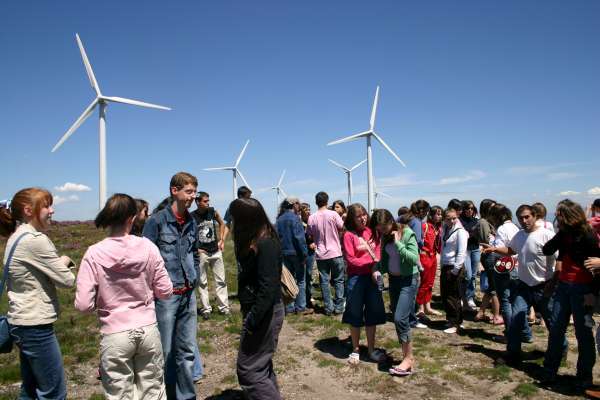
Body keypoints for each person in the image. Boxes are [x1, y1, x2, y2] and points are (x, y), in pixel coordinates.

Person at [75, 194, 173, 399]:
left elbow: (83, 305)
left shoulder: (93, 253)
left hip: (115, 333)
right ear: (132, 218)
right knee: (153, 391)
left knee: (119, 394)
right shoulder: (148, 247)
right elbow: (165, 291)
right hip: (147, 329)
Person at [0, 188, 75, 399]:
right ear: (28, 210)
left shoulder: (16, 237)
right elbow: (67, 280)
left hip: (21, 322)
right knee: (54, 392)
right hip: (35, 326)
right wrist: (65, 260)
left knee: (30, 390)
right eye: (47, 206)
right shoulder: (35, 240)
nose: (52, 211)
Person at [482, 204, 564, 365]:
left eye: (527, 217)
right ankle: (513, 353)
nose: (524, 220)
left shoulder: (546, 235)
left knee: (553, 323)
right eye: (520, 218)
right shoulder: (519, 235)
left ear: (534, 216)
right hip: (524, 286)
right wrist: (494, 249)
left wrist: (553, 283)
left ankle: (562, 349)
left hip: (543, 286)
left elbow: (559, 261)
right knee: (515, 318)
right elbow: (511, 250)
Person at [143, 172, 200, 400]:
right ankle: (164, 395)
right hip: (165, 298)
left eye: (195, 192)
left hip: (188, 293)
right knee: (163, 352)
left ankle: (186, 396)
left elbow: (194, 252)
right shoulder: (155, 221)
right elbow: (145, 259)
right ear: (174, 191)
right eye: (189, 191)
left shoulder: (191, 221)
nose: (193, 196)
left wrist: (194, 275)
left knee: (187, 351)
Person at [541, 199, 600, 390]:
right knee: (556, 329)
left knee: (583, 334)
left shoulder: (588, 236)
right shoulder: (565, 234)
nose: (557, 216)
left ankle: (584, 377)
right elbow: (547, 249)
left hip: (582, 288)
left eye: (560, 214)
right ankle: (549, 371)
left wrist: (593, 292)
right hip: (564, 286)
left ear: (568, 215)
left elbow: (596, 266)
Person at [230, 197, 284, 400]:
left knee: (250, 371)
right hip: (263, 312)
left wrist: (252, 320)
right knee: (261, 366)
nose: (232, 222)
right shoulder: (259, 239)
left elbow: (268, 289)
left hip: (264, 313)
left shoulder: (265, 243)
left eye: (234, 218)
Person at [372, 209, 419, 375]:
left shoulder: (407, 233)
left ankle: (409, 358)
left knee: (400, 318)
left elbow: (414, 258)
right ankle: (406, 356)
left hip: (408, 280)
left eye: (384, 227)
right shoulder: (385, 237)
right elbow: (386, 260)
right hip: (394, 281)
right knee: (399, 319)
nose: (382, 231)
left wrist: (399, 244)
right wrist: (377, 268)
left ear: (391, 221)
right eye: (379, 229)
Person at [341, 204, 387, 365]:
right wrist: (370, 262)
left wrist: (375, 266)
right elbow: (350, 258)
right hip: (356, 279)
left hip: (372, 278)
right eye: (358, 216)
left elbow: (379, 250)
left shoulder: (371, 231)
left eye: (364, 215)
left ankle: (371, 349)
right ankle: (355, 349)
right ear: (352, 219)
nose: (363, 218)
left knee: (372, 314)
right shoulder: (348, 235)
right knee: (355, 314)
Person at [488, 203, 528, 342]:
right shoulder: (515, 227)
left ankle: (511, 334)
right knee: (515, 300)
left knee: (505, 301)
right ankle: (524, 332)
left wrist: (492, 247)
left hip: (505, 267)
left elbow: (501, 248)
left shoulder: (502, 229)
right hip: (517, 266)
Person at [192, 191, 230, 320]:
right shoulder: (192, 217)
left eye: (208, 201)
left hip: (215, 250)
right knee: (202, 282)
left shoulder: (213, 212)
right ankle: (206, 309)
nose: (208, 203)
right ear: (198, 202)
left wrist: (222, 240)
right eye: (205, 201)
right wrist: (196, 248)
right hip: (202, 252)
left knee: (221, 280)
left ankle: (224, 308)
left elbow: (222, 224)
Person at [307, 192, 345, 315]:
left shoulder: (312, 217)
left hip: (321, 254)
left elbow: (309, 234)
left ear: (316, 202)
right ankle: (339, 307)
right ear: (327, 201)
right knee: (339, 280)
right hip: (335, 252)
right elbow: (342, 227)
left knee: (324, 281)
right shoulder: (333, 214)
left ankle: (328, 307)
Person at [275, 197, 310, 314]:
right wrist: (304, 255)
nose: (299, 206)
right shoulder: (295, 219)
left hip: (283, 253)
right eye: (298, 204)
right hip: (296, 253)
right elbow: (299, 239)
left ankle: (289, 308)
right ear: (293, 204)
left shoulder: (279, 219)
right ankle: (300, 307)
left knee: (288, 281)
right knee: (300, 280)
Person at [474, 199, 503, 325]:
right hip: (490, 255)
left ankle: (481, 313)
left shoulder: (487, 222)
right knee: (495, 287)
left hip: (490, 254)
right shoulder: (484, 222)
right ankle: (496, 315)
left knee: (492, 286)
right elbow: (485, 240)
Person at [440, 207, 468, 334]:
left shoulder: (460, 231)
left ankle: (455, 323)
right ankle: (452, 319)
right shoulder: (445, 229)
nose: (452, 221)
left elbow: (462, 252)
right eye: (448, 219)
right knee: (446, 295)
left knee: (453, 296)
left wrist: (456, 269)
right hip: (445, 265)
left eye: (454, 218)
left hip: (454, 266)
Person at [416, 206, 443, 318]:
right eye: (438, 214)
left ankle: (428, 307)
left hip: (433, 257)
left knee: (430, 283)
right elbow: (418, 241)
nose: (440, 216)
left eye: (441, 214)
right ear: (431, 215)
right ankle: (420, 308)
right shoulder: (424, 226)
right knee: (424, 283)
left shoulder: (439, 228)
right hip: (425, 256)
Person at [460, 200, 480, 312]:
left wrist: (471, 233)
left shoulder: (476, 221)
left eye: (472, 208)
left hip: (475, 248)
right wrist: (472, 233)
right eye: (467, 208)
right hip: (465, 250)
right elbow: (464, 234)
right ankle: (463, 296)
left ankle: (470, 296)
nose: (470, 210)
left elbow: (479, 234)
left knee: (473, 275)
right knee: (467, 274)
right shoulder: (460, 221)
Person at [300, 203, 316, 308]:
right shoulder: (299, 223)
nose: (308, 211)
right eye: (306, 209)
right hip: (303, 252)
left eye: (309, 209)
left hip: (311, 253)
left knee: (309, 275)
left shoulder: (311, 221)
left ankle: (309, 296)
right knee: (302, 276)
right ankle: (302, 298)